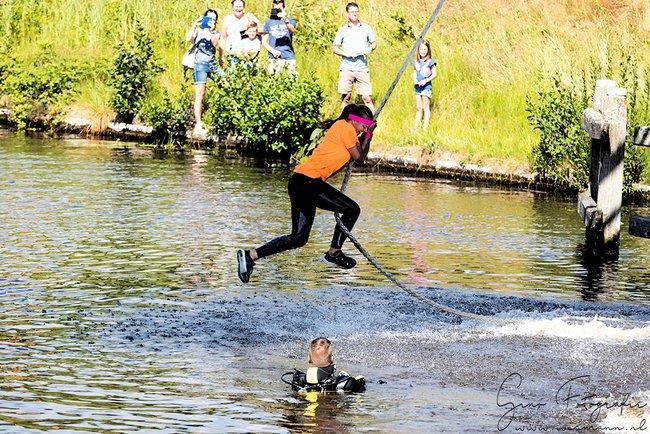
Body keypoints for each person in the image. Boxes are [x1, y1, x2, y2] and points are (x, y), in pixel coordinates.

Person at [236, 104, 375, 283]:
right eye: (364, 124)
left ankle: (250, 256)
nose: (365, 128)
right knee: (352, 209)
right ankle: (334, 252)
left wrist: (367, 134)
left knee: (299, 238)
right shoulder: (345, 127)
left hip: (300, 183)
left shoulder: (349, 132)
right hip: (308, 182)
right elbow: (360, 157)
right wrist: (369, 135)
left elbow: (360, 154)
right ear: (355, 119)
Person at [332, 2, 377, 112]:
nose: (355, 14)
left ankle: (371, 124)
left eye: (356, 11)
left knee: (366, 98)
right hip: (347, 67)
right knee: (346, 97)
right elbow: (334, 47)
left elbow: (374, 43)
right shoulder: (343, 29)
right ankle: (344, 122)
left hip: (362, 67)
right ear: (347, 14)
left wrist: (369, 49)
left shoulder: (366, 28)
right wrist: (345, 53)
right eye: (352, 12)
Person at [281, 337, 366, 393]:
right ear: (332, 359)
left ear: (308, 359)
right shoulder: (345, 382)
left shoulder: (299, 381)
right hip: (330, 415)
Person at [186, 9, 222, 137]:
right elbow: (188, 38)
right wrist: (195, 24)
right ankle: (198, 123)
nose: (211, 21)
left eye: (213, 19)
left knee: (227, 84)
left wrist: (210, 31)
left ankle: (223, 115)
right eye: (209, 19)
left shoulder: (216, 32)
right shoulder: (199, 30)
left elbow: (215, 44)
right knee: (199, 94)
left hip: (212, 64)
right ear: (204, 19)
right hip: (200, 65)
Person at [262, 0, 298, 75]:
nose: (277, 9)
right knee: (273, 81)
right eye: (275, 7)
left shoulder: (291, 20)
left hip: (288, 56)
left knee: (291, 81)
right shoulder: (268, 22)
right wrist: (273, 51)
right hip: (274, 57)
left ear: (284, 8)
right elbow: (264, 42)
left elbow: (292, 30)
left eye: (279, 8)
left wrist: (285, 19)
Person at [221, 0, 260, 68]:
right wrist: (221, 56)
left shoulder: (248, 18)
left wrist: (256, 21)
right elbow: (223, 38)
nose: (238, 8)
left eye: (240, 6)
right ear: (232, 8)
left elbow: (261, 31)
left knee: (249, 77)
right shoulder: (227, 19)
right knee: (233, 77)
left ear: (244, 8)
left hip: (248, 56)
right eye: (236, 6)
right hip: (233, 55)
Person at [412, 39, 437, 129]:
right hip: (417, 88)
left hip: (426, 87)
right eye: (421, 49)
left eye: (425, 49)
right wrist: (415, 79)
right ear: (418, 50)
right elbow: (414, 72)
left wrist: (425, 81)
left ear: (428, 50)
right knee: (419, 108)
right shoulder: (416, 62)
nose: (423, 51)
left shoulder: (430, 62)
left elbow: (434, 74)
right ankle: (415, 127)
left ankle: (425, 128)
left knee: (426, 107)